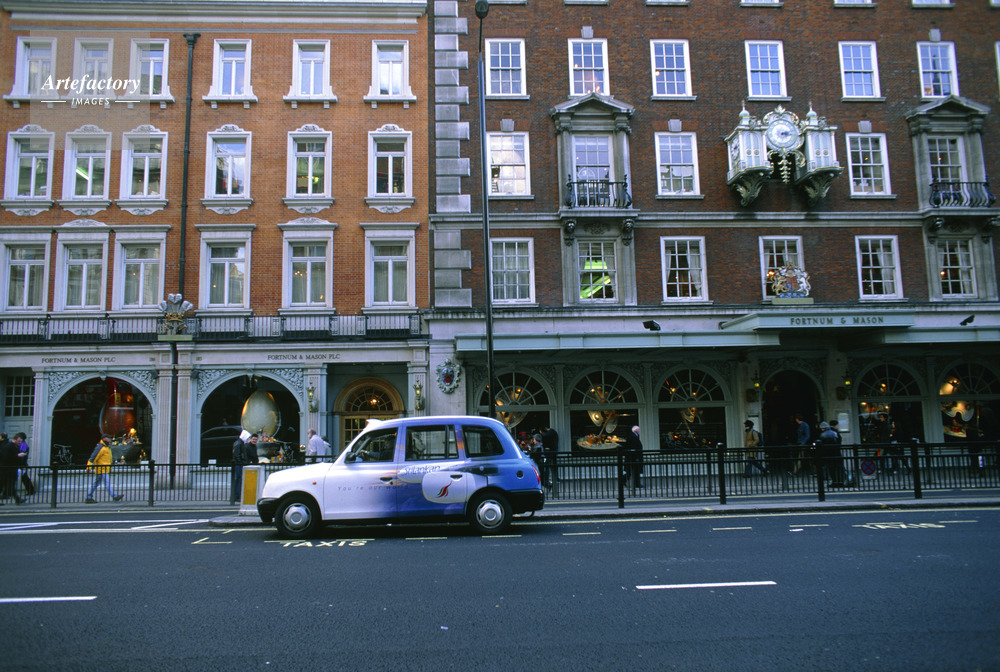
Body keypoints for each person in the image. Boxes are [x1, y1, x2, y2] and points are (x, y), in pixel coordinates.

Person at [86, 434, 123, 503]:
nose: (110, 439)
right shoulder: (100, 447)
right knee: (106, 483)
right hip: (102, 469)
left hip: (103, 469)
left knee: (95, 484)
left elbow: (107, 458)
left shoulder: (106, 447)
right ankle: (115, 496)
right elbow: (93, 457)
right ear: (104, 438)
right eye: (108, 438)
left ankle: (89, 497)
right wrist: (89, 467)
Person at [0, 433, 25, 505]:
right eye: (19, 441)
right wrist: (17, 456)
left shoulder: (14, 446)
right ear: (15, 439)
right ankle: (17, 499)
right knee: (7, 484)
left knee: (9, 484)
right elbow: (5, 457)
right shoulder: (8, 446)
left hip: (10, 469)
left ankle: (17, 499)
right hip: (7, 469)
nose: (19, 443)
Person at [11, 432, 35, 497]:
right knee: (24, 477)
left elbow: (22, 455)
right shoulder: (23, 444)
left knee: (23, 478)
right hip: (22, 464)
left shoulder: (23, 445)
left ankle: (31, 490)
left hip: (21, 464)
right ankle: (31, 490)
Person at [230, 429, 250, 505]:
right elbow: (237, 454)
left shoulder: (239, 443)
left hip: (240, 463)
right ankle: (236, 495)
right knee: (238, 479)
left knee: (239, 480)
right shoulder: (239, 443)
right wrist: (240, 462)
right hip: (239, 464)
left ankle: (237, 495)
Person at [623, 425, 643, 490]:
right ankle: (635, 483)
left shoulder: (633, 436)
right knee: (633, 471)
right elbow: (634, 447)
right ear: (636, 430)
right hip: (633, 457)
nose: (639, 431)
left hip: (632, 457)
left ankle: (636, 483)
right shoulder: (633, 437)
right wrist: (637, 457)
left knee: (632, 471)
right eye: (638, 430)